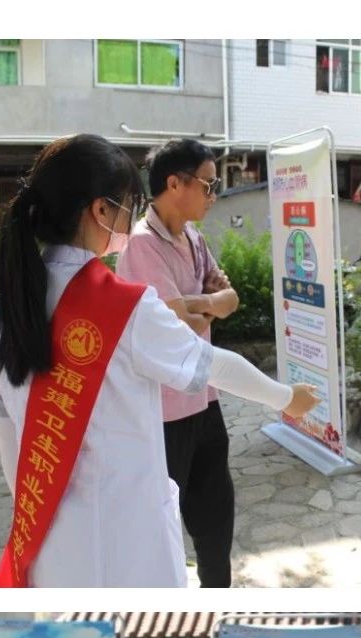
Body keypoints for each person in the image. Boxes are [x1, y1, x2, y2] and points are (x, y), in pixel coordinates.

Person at [0, 134, 319, 588]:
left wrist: (32, 506)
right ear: (101, 210)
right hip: (128, 544)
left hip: (47, 542)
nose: (132, 218)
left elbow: (2, 419)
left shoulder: (4, 306)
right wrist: (286, 397)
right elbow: (214, 366)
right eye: (129, 206)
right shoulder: (124, 306)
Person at [116, 138, 240, 588]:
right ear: (174, 184)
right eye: (208, 185)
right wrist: (205, 305)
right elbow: (175, 324)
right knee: (160, 524)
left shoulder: (194, 237)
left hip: (204, 397)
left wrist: (197, 303)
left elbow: (229, 299)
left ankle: (218, 604)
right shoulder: (140, 246)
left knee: (215, 518)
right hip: (164, 411)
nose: (213, 195)